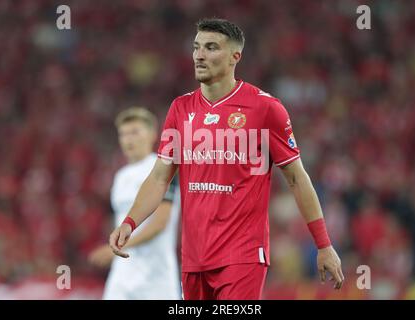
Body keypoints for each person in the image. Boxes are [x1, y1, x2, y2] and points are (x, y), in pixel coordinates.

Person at [109, 18, 344, 300]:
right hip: (194, 257)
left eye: (211, 48)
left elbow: (297, 178)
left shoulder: (265, 108)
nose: (199, 55)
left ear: (235, 56)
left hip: (242, 254)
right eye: (196, 47)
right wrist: (129, 222)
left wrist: (323, 244)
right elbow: (160, 177)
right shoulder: (180, 109)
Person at [89, 107, 181, 300]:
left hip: (156, 279)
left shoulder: (163, 169)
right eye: (123, 134)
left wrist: (118, 246)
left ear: (152, 135)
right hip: (122, 277)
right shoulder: (120, 177)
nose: (128, 139)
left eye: (135, 132)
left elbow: (160, 223)